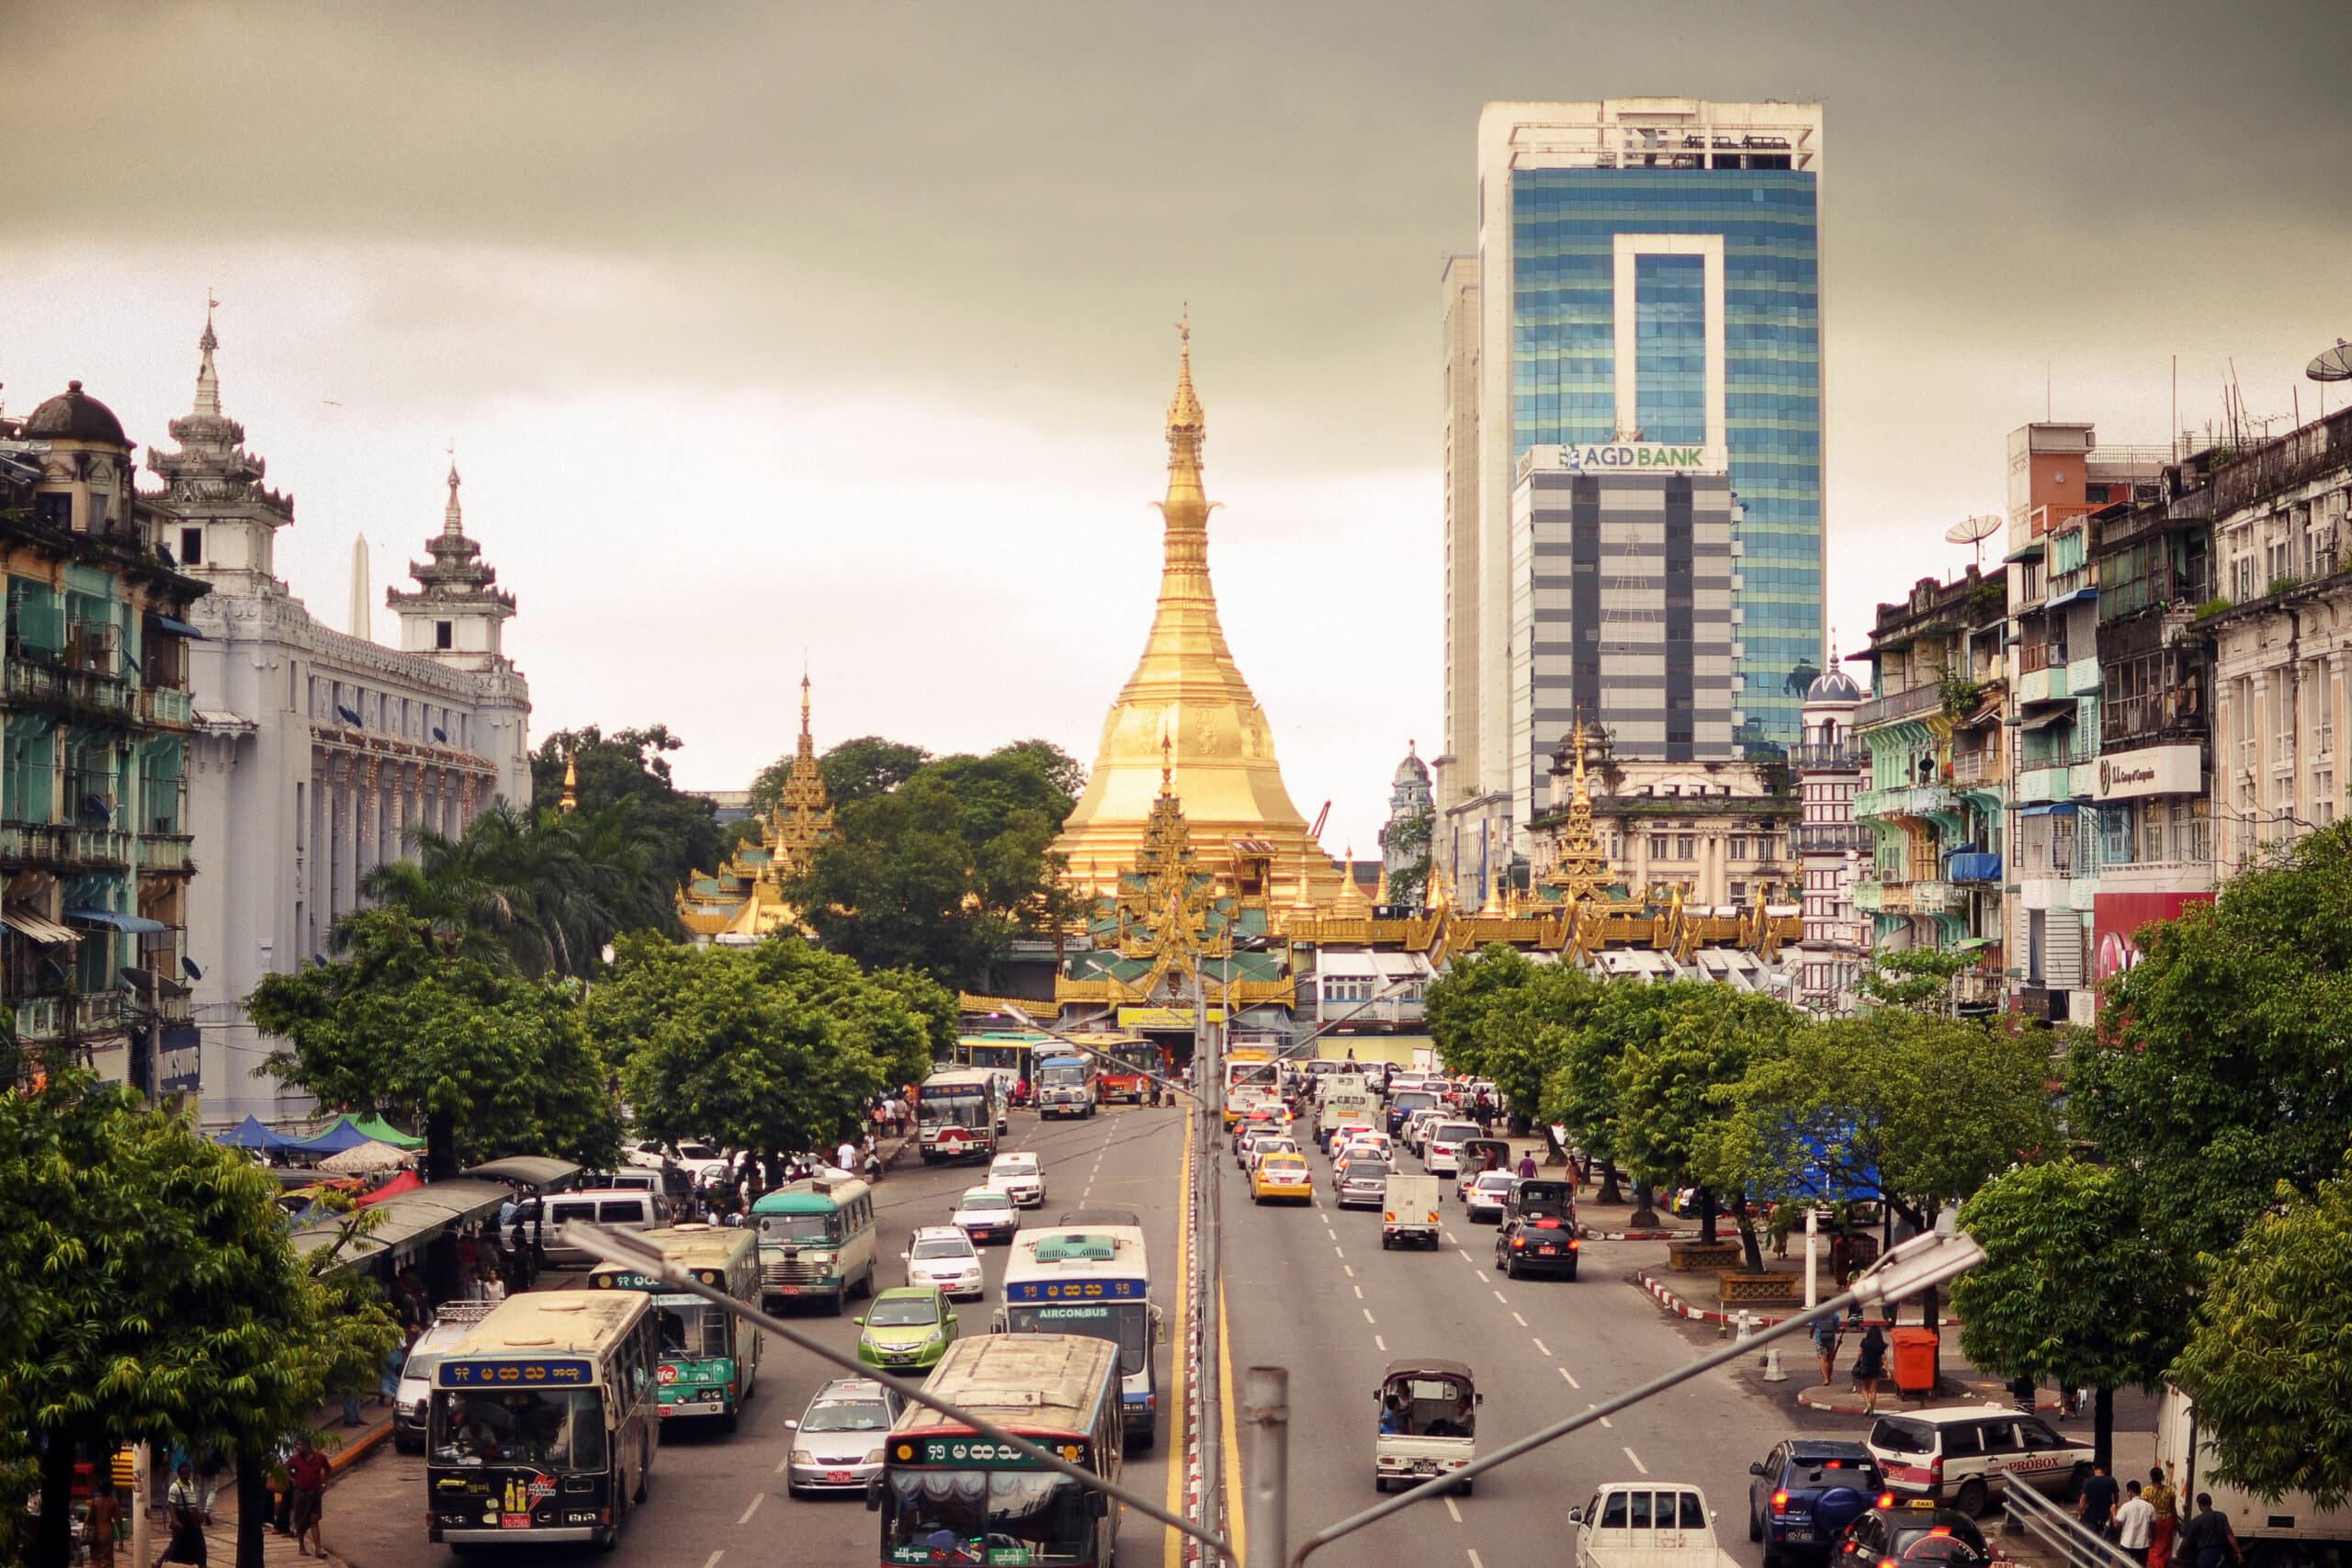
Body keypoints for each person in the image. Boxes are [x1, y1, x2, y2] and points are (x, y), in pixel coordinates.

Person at [159, 1461, 209, 1565]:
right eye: (184, 1473)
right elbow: (171, 1505)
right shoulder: (175, 1487)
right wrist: (175, 1520)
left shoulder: (191, 1485)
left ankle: (202, 1564)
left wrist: (200, 1516)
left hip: (193, 1522)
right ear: (179, 1474)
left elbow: (193, 1503)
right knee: (176, 1545)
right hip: (183, 1521)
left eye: (188, 1473)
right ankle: (158, 1562)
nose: (186, 1475)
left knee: (200, 1547)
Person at [288, 1438, 330, 1559]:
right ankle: (301, 1546)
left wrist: (324, 1484)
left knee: (314, 1520)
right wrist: (292, 1480)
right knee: (300, 1521)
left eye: (300, 1444)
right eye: (297, 1445)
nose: (298, 1447)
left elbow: (328, 1469)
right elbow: (285, 1469)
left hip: (315, 1493)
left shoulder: (319, 1457)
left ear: (308, 1445)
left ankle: (318, 1549)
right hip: (301, 1493)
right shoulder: (295, 1459)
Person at [2178, 1495, 2241, 1568]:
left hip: (2205, 1555)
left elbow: (2186, 1540)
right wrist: (2238, 1552)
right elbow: (2230, 1536)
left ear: (2199, 1505)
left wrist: (2179, 1551)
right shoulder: (2222, 1516)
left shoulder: (2197, 1520)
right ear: (2211, 1502)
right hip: (2220, 1554)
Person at [2116, 1480, 2157, 1565]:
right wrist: (2152, 1539)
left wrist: (2113, 1512)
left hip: (2127, 1543)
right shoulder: (2149, 1506)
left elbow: (2117, 1524)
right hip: (2143, 1544)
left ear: (2129, 1493)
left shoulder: (2126, 1506)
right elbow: (2153, 1525)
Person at [2145, 1465, 2179, 1568]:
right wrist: (2176, 1523)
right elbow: (2173, 1508)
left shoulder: (2147, 1491)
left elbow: (2145, 1509)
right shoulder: (2170, 1491)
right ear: (2162, 1477)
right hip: (2167, 1521)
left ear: (2151, 1477)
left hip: (2153, 1521)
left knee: (2153, 1545)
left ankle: (2155, 1563)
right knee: (2165, 1547)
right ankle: (2161, 1565)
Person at [2078, 1461, 2121, 1539]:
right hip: (2106, 1515)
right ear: (2105, 1469)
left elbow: (2083, 1499)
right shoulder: (2111, 1480)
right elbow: (2116, 1496)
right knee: (2105, 1541)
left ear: (2093, 1468)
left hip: (2091, 1515)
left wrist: (2080, 1513)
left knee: (2089, 1540)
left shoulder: (2088, 1481)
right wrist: (2115, 1506)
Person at [82, 1481, 120, 1568]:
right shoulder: (113, 1502)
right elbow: (118, 1521)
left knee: (95, 1560)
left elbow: (87, 1519)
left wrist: (85, 1534)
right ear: (111, 1489)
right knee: (107, 1561)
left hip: (95, 1534)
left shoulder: (95, 1501)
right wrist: (121, 1539)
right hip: (107, 1534)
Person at [1853, 1322, 1887, 1415]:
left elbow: (1860, 1353)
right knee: (1873, 1390)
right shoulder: (1880, 1344)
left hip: (1865, 1367)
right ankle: (1872, 1409)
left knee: (1864, 1388)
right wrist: (1888, 1371)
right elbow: (1883, 1358)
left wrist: (1857, 1362)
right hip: (1875, 1368)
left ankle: (1868, 1403)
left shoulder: (1865, 1341)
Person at [1813, 1314, 1843, 1388]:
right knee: (1830, 1359)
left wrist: (1811, 1334)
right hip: (1830, 1339)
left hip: (1820, 1339)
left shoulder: (1818, 1313)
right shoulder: (1835, 1314)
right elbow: (1837, 1330)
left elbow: (1812, 1327)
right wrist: (1841, 1329)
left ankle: (1826, 1379)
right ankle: (1829, 1377)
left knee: (1822, 1359)